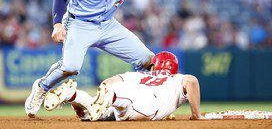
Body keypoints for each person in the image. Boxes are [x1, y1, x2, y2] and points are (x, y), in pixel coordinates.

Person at [25, 0, 168, 118]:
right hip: (79, 23)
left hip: (108, 24)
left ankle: (145, 104)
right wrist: (57, 24)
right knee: (70, 67)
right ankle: (41, 87)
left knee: (148, 60)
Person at [44, 51, 205, 121]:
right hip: (147, 103)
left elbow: (106, 83)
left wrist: (107, 93)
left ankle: (73, 95)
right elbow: (192, 82)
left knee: (94, 115)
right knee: (119, 103)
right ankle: (109, 98)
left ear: (155, 66)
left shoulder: (140, 74)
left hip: (125, 94)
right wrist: (195, 114)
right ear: (174, 68)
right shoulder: (177, 78)